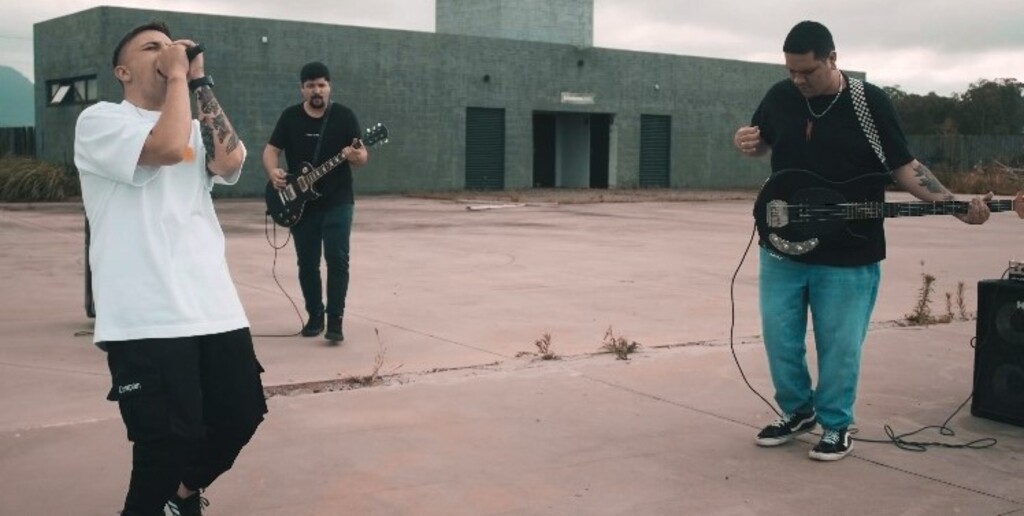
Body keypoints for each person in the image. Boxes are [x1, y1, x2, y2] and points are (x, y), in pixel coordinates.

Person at [733, 20, 991, 461]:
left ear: (833, 59)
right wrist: (748, 143)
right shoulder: (780, 96)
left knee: (839, 343)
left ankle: (835, 424)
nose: (798, 81)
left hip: (848, 247)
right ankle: (797, 412)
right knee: (779, 337)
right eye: (791, 71)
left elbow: (904, 167)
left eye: (807, 72)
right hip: (783, 242)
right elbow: (764, 146)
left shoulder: (868, 103)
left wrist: (953, 204)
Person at [74, 21, 267, 515]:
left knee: (240, 413)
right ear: (122, 71)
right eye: (151, 47)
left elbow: (228, 162)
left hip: (212, 305)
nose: (168, 52)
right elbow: (162, 148)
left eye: (172, 45)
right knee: (166, 443)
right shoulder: (101, 120)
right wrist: (179, 77)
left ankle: (182, 499)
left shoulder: (193, 121)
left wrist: (198, 80)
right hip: (145, 315)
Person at [263, 61, 369, 344]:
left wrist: (354, 155)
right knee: (307, 263)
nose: (316, 90)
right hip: (301, 204)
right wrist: (273, 171)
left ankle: (335, 321)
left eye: (321, 84)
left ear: (329, 86)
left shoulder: (344, 116)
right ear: (302, 89)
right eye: (310, 85)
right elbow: (271, 151)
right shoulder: (290, 117)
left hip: (338, 200)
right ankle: (314, 315)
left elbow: (362, 157)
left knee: (337, 258)